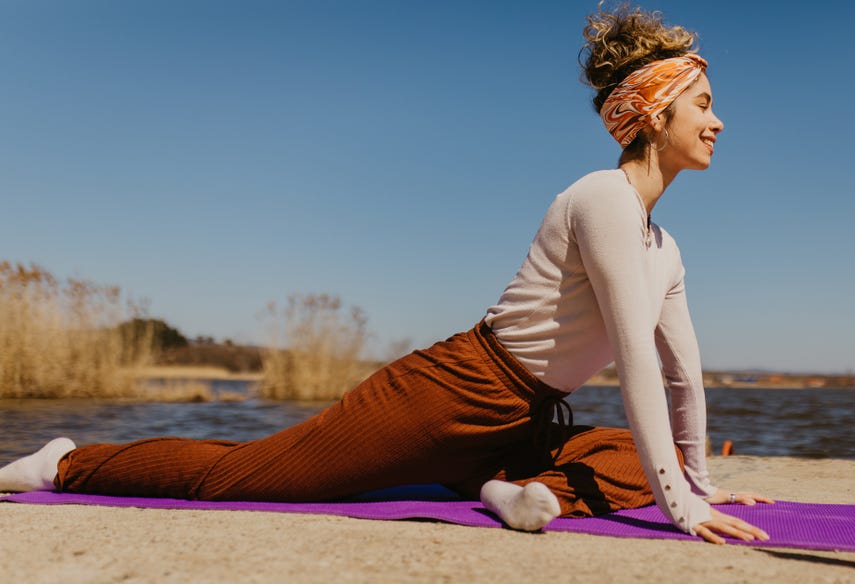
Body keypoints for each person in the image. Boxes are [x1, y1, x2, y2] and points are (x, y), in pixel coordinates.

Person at [0, 3, 772, 544]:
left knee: (639, 448)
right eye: (702, 103)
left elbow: (681, 375)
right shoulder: (600, 197)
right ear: (653, 112)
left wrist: (699, 482)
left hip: (522, 417)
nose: (719, 119)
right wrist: (680, 510)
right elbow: (635, 357)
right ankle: (63, 461)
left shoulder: (664, 247)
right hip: (449, 392)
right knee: (239, 477)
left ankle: (507, 489)